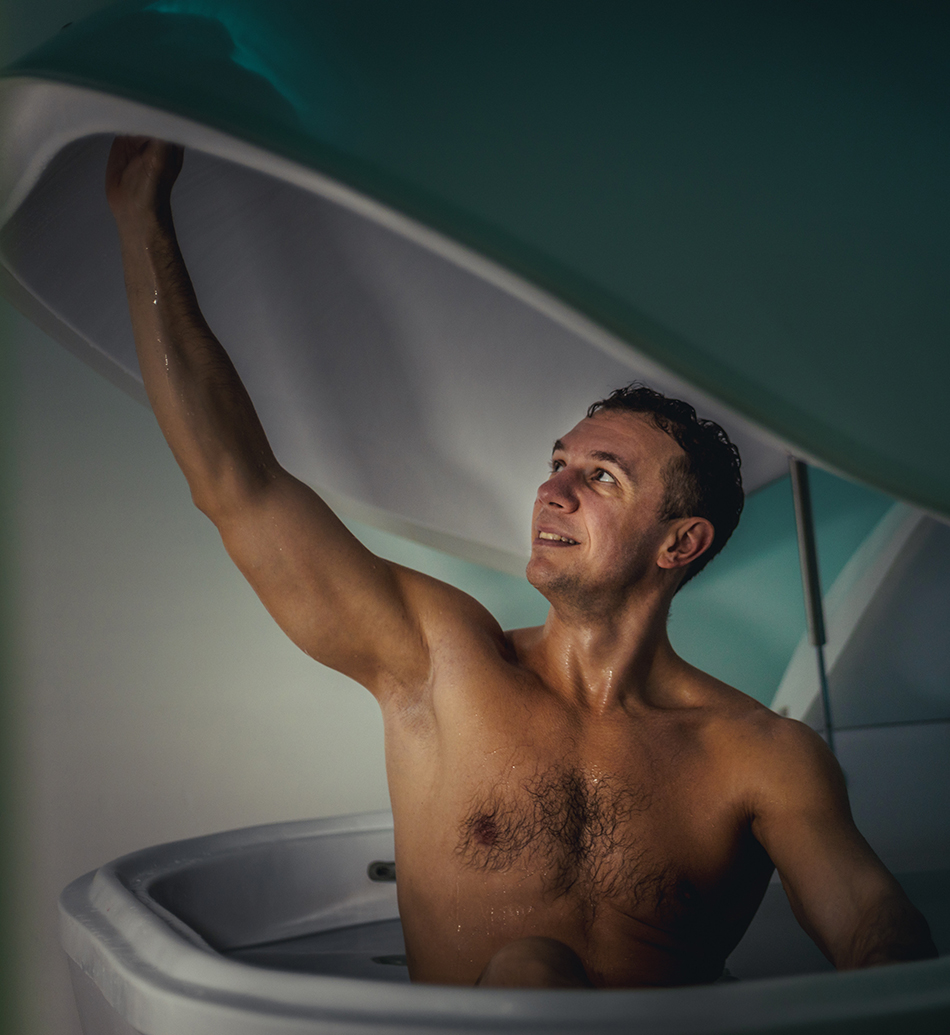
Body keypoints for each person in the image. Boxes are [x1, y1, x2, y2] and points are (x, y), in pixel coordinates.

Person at [104, 136, 936, 989]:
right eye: (557, 463)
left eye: (600, 477)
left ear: (679, 543)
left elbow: (873, 929)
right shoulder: (441, 662)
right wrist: (140, 219)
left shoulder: (762, 754)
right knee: (529, 967)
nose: (553, 490)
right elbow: (237, 484)